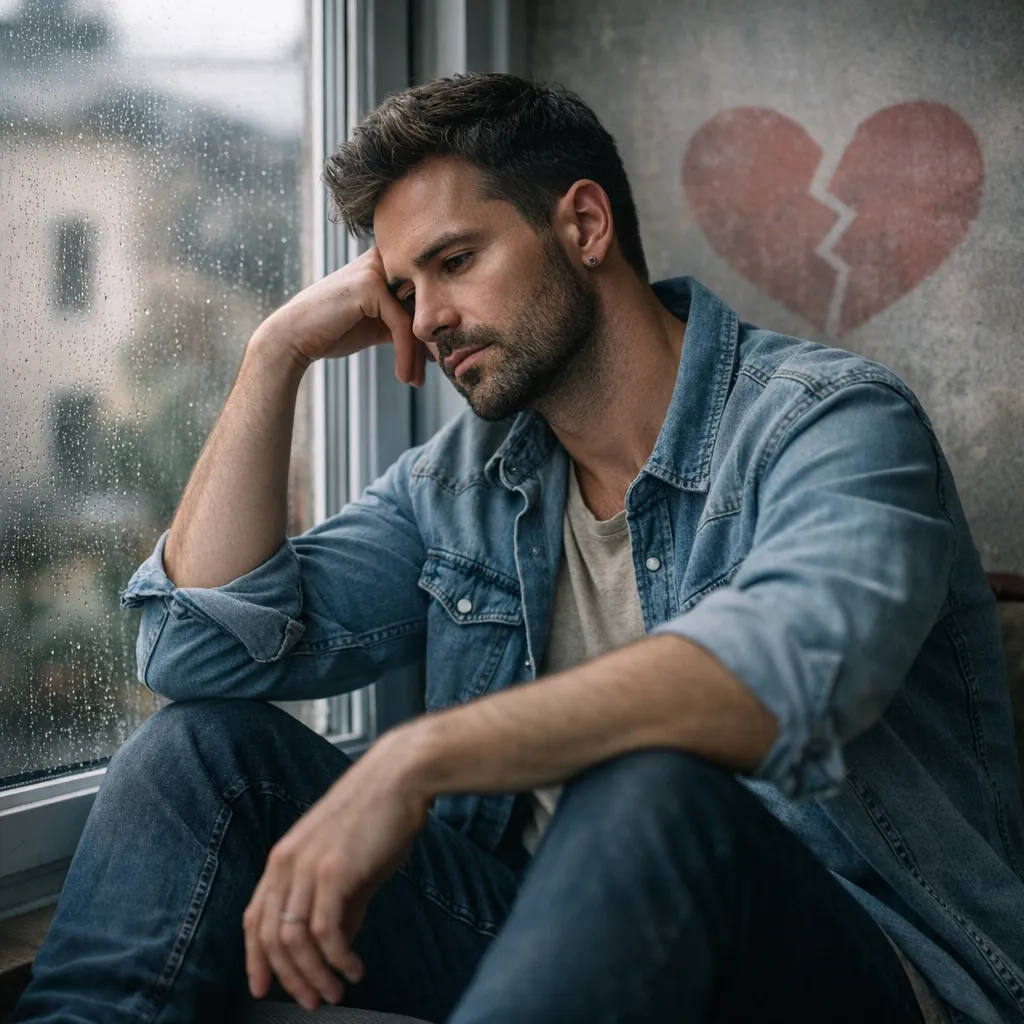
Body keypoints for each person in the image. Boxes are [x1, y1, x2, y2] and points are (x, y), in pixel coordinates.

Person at [13, 73, 1024, 1024]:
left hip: (855, 963)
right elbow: (197, 654)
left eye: (454, 261)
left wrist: (418, 757)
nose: (431, 318)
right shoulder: (467, 481)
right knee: (194, 753)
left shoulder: (828, 420)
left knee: (650, 787)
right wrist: (272, 355)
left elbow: (793, 671)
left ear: (583, 224)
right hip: (555, 934)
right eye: (403, 288)